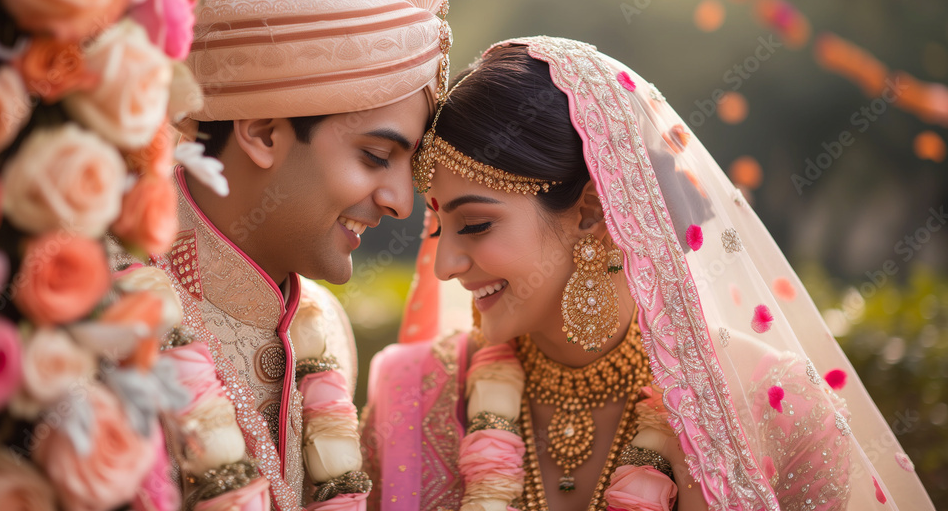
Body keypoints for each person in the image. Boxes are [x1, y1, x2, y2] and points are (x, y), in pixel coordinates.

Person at [360, 36, 936, 511]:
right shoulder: (414, 396)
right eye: (437, 226)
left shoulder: (770, 403)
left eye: (476, 225)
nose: (445, 265)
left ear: (589, 209)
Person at [108, 0, 475, 509]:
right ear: (262, 134)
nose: (403, 201)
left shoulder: (324, 327)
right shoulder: (95, 309)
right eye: (376, 156)